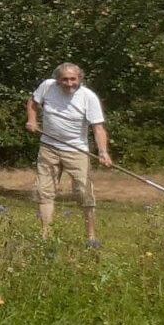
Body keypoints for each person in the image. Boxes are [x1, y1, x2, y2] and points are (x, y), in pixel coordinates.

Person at [26, 62, 112, 246]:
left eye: (73, 79)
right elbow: (33, 103)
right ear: (58, 79)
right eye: (64, 79)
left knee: (84, 192)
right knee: (44, 191)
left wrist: (103, 152)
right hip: (48, 147)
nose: (69, 83)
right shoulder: (47, 86)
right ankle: (45, 236)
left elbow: (98, 127)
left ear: (80, 79)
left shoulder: (88, 97)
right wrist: (32, 120)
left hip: (76, 151)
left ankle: (91, 237)